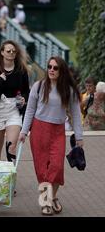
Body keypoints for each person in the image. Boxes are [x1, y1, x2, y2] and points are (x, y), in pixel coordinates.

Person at [19, 56, 84, 215]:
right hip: (39, 130)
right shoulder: (39, 86)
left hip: (58, 131)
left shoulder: (68, 89)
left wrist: (79, 137)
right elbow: (30, 110)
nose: (51, 70)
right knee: (42, 170)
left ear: (61, 71)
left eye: (55, 68)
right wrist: (23, 131)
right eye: (49, 67)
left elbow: (76, 114)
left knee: (56, 166)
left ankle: (52, 197)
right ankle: (46, 202)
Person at [0, 40, 29, 164]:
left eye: (14, 51)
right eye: (8, 51)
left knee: (11, 146)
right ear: (2, 53)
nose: (11, 53)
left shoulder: (21, 71)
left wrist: (23, 98)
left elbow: (26, 90)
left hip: (14, 111)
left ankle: (9, 177)